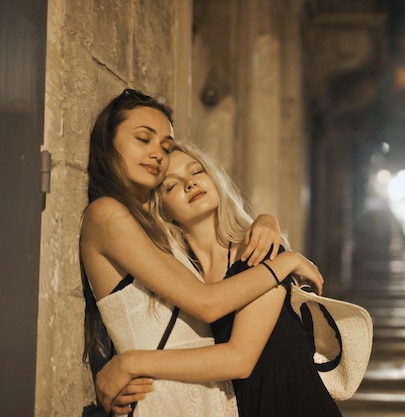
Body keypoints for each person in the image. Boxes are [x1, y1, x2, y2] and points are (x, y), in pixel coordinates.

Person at [81, 89, 325, 417]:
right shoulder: (109, 214)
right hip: (170, 400)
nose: (156, 154)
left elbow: (231, 344)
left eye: (165, 147)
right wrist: (286, 260)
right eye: (143, 139)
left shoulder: (250, 250)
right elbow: (207, 304)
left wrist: (272, 229)